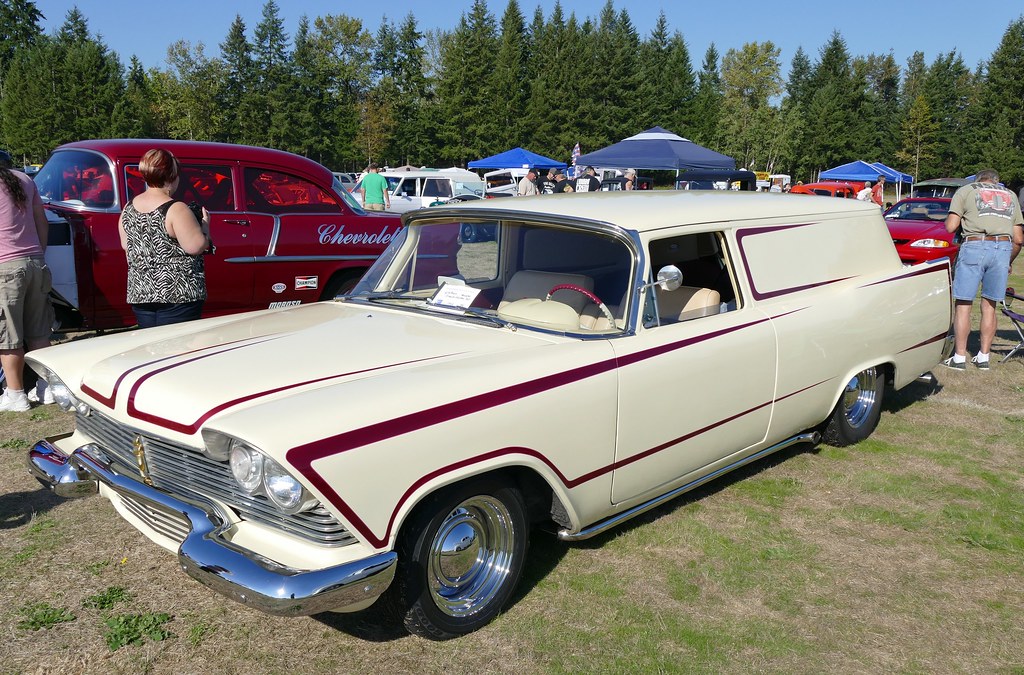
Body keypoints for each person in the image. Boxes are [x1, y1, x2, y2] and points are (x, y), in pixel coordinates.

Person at [118, 148, 212, 329]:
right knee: (178, 348)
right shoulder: (176, 209)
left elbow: (126, 245)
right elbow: (195, 246)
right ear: (171, 176)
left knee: (152, 348)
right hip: (178, 295)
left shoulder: (127, 209)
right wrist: (205, 227)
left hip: (141, 294)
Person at [942, 168, 1024, 370]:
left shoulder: (967, 190)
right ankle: (983, 356)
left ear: (979, 180)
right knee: (990, 305)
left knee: (963, 303)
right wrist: (1009, 261)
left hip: (975, 244)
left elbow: (951, 226)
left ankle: (959, 357)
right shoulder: (1011, 195)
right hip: (1002, 248)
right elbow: (1019, 239)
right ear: (997, 181)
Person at [0, 150, 54, 411]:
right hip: (35, 262)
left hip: (5, 266)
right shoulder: (25, 179)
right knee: (39, 331)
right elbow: (42, 222)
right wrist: (39, 253)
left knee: (9, 336)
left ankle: (15, 394)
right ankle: (45, 388)